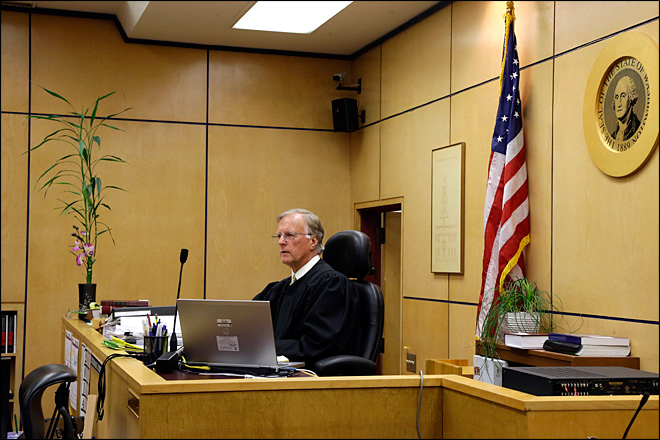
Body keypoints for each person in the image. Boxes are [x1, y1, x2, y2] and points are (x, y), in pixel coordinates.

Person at [253, 208, 362, 366]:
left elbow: (318, 344)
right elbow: (246, 323)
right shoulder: (278, 289)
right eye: (279, 236)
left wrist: (267, 347)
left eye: (289, 235)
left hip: (311, 375)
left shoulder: (332, 285)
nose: (281, 242)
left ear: (313, 241)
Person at [611, 75, 641, 141]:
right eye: (616, 97)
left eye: (623, 96)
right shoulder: (612, 138)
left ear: (631, 98)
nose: (619, 103)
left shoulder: (639, 130)